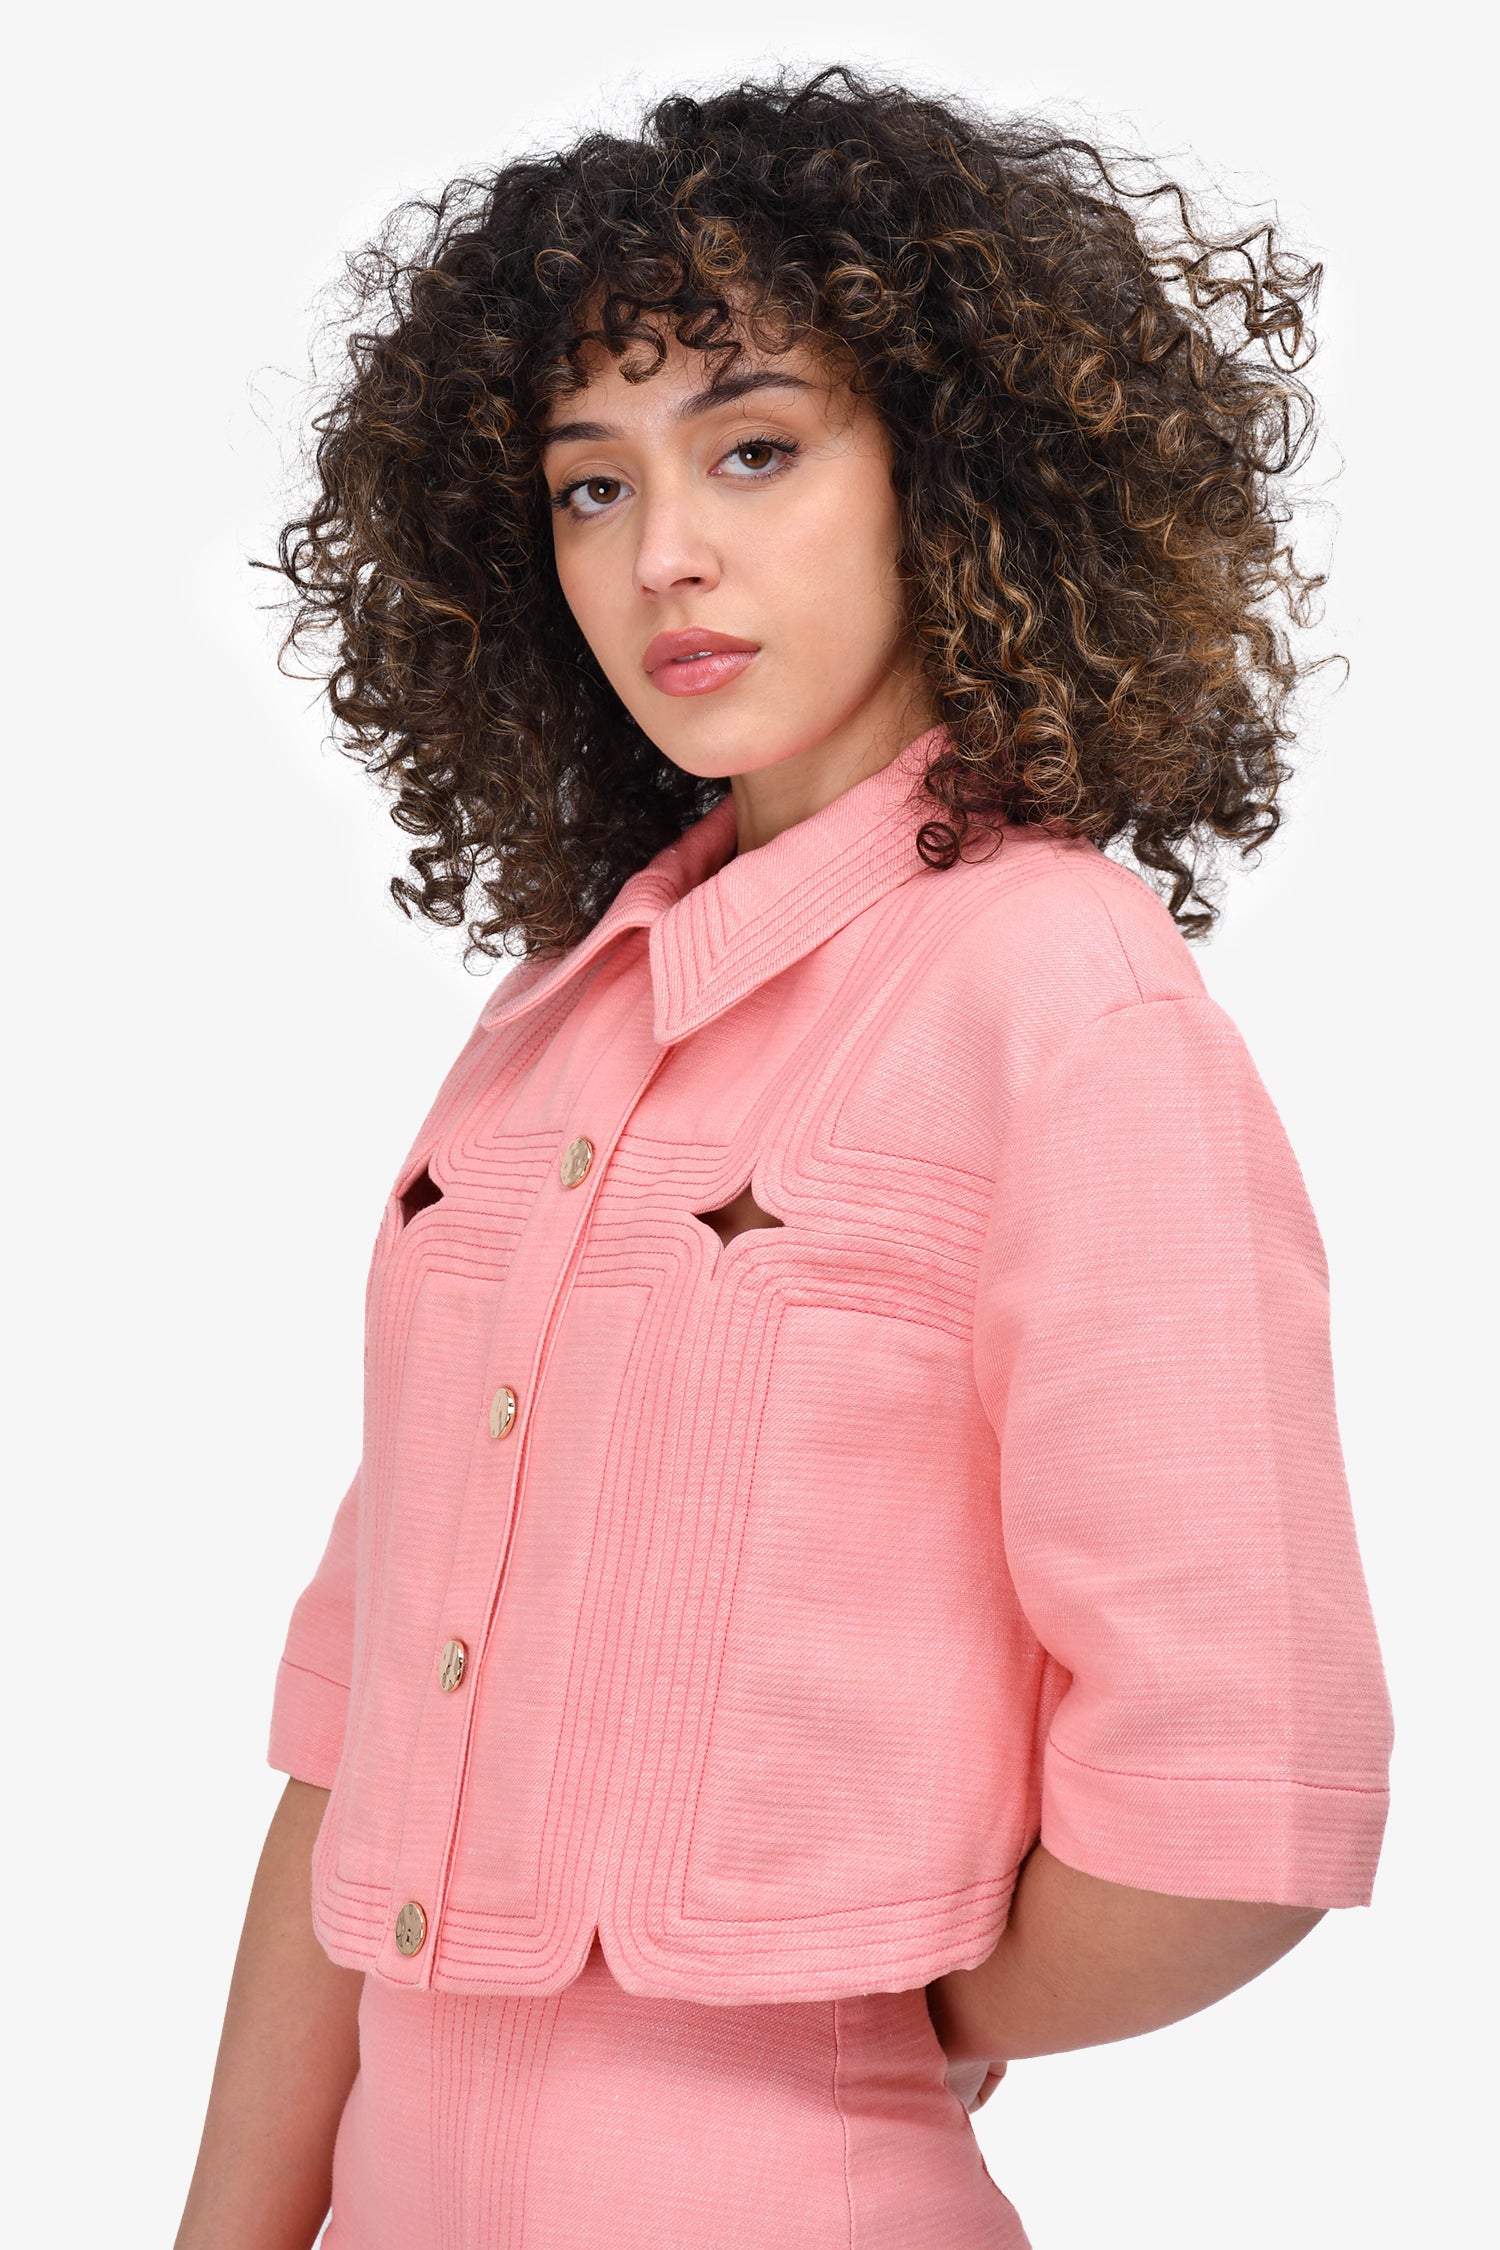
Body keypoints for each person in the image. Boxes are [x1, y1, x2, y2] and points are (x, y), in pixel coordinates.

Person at [175, 66, 1393, 2250]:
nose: (664, 554)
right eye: (589, 485)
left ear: (952, 470)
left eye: (754, 449)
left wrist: (864, 2021)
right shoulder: (548, 1039)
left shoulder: (1064, 1004)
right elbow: (355, 1739)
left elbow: (1238, 1801)